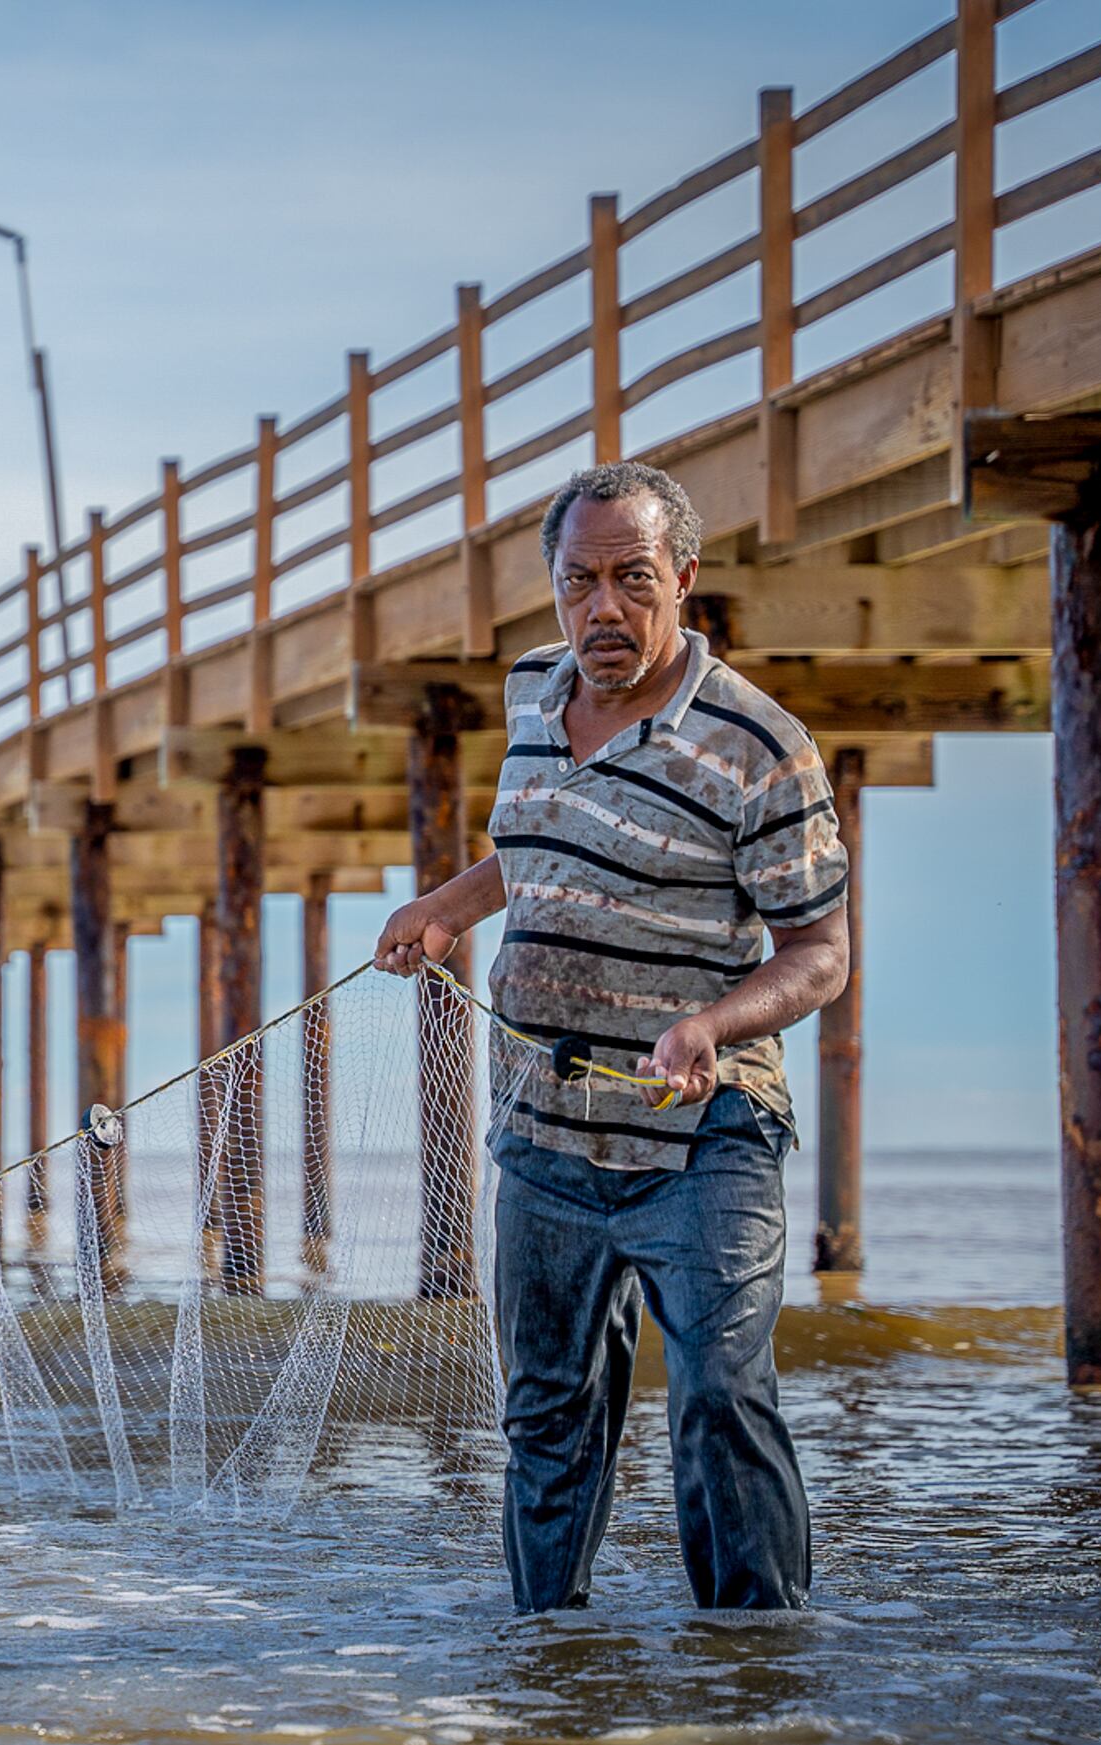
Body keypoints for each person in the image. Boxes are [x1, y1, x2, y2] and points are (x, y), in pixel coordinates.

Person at [375, 460, 851, 1611]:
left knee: (720, 1399)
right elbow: (546, 843)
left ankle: (756, 1670)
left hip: (703, 1129)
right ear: (552, 588)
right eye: (579, 580)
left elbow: (820, 953)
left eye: (632, 579)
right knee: (543, 1409)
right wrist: (450, 903)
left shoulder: (759, 746)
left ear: (682, 578)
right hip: (542, 1120)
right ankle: (550, 1666)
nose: (603, 608)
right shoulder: (530, 690)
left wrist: (710, 1024)